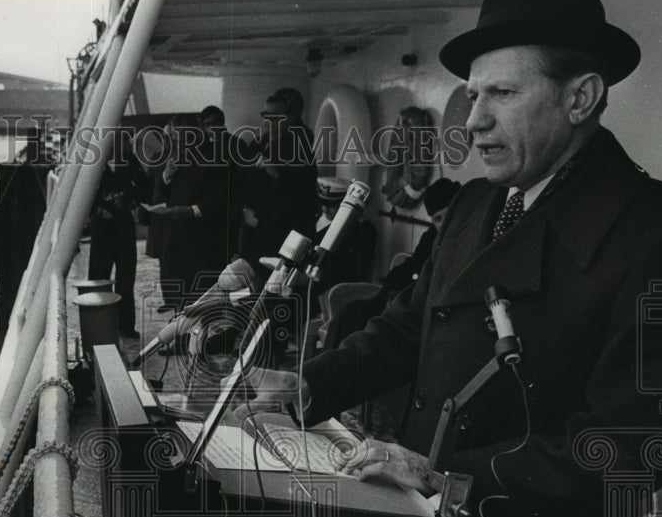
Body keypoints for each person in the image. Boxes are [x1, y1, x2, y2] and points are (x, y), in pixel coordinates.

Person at [234, 0, 662, 517]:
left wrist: (442, 476)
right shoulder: (474, 206)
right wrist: (306, 387)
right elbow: (406, 328)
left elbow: (630, 445)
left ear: (581, 97)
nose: (474, 122)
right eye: (473, 95)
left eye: (502, 95)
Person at [324, 178, 461, 349]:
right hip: (398, 297)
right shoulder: (432, 236)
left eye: (448, 216)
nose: (444, 224)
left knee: (378, 334)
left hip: (420, 310)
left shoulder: (466, 239)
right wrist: (390, 290)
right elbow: (413, 264)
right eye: (438, 219)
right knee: (349, 315)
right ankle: (327, 370)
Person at [146, 111, 230, 310]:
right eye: (175, 140)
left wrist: (192, 211)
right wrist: (166, 177)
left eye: (182, 139)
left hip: (203, 239)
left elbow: (223, 198)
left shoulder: (216, 157)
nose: (178, 145)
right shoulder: (176, 156)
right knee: (179, 299)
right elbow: (162, 193)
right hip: (176, 238)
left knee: (201, 301)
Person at [237, 88, 318, 266]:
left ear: (286, 118)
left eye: (276, 116)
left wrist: (277, 173)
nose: (269, 120)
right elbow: (240, 183)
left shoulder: (300, 145)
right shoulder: (256, 144)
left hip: (280, 231)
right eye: (266, 114)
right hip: (253, 230)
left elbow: (307, 187)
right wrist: (243, 210)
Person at [87, 140, 149, 338]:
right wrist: (97, 210)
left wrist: (134, 203)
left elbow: (144, 187)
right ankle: (98, 325)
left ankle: (126, 326)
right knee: (98, 277)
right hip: (102, 228)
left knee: (126, 278)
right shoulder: (92, 163)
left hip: (123, 226)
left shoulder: (129, 161)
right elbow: (82, 194)